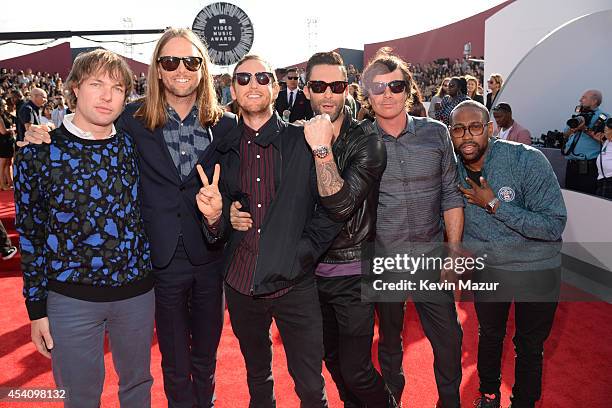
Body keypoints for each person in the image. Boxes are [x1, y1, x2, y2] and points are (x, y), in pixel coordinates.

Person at [23, 27, 237, 408]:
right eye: (170, 61)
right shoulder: (131, 123)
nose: (181, 69)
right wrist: (44, 136)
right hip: (141, 271)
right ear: (157, 69)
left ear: (204, 68)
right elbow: (32, 230)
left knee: (179, 371)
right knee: (101, 387)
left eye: (191, 61)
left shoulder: (224, 126)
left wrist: (228, 215)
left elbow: (242, 187)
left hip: (187, 268)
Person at [197, 54, 342, 408]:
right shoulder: (222, 149)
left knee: (310, 386)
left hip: (295, 284)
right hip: (242, 284)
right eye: (243, 79)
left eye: (262, 78)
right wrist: (219, 218)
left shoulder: (303, 140)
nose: (253, 85)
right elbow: (217, 220)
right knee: (258, 381)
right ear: (232, 90)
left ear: (275, 88)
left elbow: (333, 210)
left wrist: (303, 253)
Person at [14, 49, 155, 408]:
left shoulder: (133, 145)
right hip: (70, 300)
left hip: (136, 294)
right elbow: (29, 235)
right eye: (97, 84)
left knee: (138, 387)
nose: (107, 96)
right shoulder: (38, 153)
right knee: (79, 398)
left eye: (118, 87)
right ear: (74, 88)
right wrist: (36, 310)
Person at [361, 49, 464, 408]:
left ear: (409, 91)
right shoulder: (359, 140)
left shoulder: (436, 134)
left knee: (449, 339)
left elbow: (452, 195)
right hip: (384, 260)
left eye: (396, 85)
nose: (387, 93)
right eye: (378, 87)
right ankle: (392, 402)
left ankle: (449, 402)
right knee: (389, 343)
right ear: (367, 95)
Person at [450, 100, 567, 408]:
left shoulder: (526, 160)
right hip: (490, 270)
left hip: (537, 269)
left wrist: (495, 205)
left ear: (490, 128)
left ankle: (524, 402)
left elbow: (553, 225)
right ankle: (488, 395)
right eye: (458, 129)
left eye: (475, 127)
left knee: (529, 346)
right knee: (489, 334)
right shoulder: (451, 170)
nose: (467, 137)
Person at [301, 51, 397, 407]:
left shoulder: (367, 141)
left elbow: (340, 204)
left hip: (354, 270)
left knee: (357, 369)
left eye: (337, 85)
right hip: (311, 273)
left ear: (348, 90)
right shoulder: (299, 137)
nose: (328, 94)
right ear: (306, 90)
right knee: (332, 360)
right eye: (319, 85)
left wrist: (322, 150)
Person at [561, 89, 608, 195]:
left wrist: (585, 129)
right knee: (570, 195)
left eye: (584, 97)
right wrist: (572, 129)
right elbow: (565, 134)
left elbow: (604, 139)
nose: (580, 100)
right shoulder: (578, 115)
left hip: (587, 166)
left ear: (594, 101)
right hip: (571, 164)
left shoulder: (603, 117)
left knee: (585, 197)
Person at [0, 98, 16, 189]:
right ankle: (2, 184)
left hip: (8, 142)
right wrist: (12, 129)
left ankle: (9, 182)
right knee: (2, 164)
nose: (6, 105)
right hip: (3, 142)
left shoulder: (4, 115)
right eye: (3, 104)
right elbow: (3, 131)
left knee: (8, 163)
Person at [595, 119, 612, 199]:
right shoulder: (607, 141)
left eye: (607, 130)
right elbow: (596, 136)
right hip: (602, 179)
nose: (605, 132)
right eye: (605, 130)